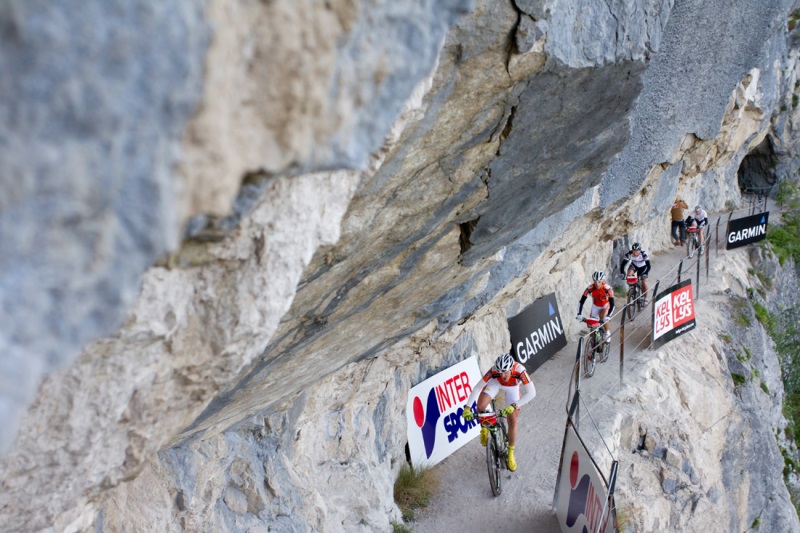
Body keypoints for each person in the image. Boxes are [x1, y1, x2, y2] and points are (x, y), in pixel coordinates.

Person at [461, 353, 536, 472]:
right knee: (480, 407)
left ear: (511, 368)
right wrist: (467, 408)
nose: (502, 375)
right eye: (500, 372)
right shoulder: (494, 372)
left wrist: (515, 405)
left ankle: (510, 453)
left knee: (512, 419)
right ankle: (484, 427)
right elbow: (477, 388)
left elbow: (532, 393)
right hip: (495, 384)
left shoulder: (520, 371)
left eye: (505, 372)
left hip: (513, 388)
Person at [576, 271, 615, 342]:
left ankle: (607, 332)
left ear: (602, 281)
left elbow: (612, 304)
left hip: (605, 305)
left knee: (602, 316)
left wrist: (608, 315)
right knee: (592, 329)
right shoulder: (590, 288)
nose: (597, 284)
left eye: (599, 282)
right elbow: (581, 302)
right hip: (595, 306)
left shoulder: (607, 289)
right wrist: (579, 314)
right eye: (595, 281)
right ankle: (591, 350)